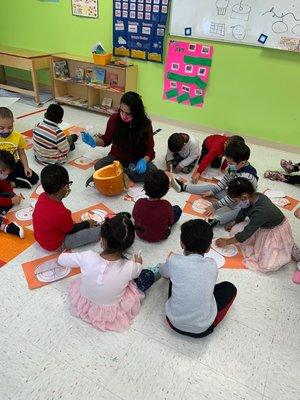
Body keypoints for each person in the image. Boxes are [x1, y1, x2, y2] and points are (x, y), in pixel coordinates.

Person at [57, 214, 160, 332]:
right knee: (147, 275)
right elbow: (137, 272)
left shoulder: (87, 256)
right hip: (110, 310)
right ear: (128, 246)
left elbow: (61, 259)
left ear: (102, 240)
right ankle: (157, 272)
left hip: (85, 301)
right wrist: (139, 263)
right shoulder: (130, 266)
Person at [159, 219, 237, 338]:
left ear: (181, 244)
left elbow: (162, 272)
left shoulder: (174, 260)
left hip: (173, 322)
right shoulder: (212, 264)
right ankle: (212, 320)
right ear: (208, 248)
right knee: (230, 288)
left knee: (174, 276)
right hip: (202, 330)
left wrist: (168, 262)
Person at [215, 178, 297, 273]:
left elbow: (246, 234)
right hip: (261, 225)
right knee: (235, 230)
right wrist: (235, 223)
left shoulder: (260, 211)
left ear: (244, 197)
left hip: (274, 231)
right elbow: (243, 212)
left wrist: (227, 242)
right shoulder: (252, 198)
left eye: (236, 201)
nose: (236, 203)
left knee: (266, 265)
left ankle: (288, 246)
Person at [172, 141, 258, 226]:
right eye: (227, 162)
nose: (228, 165)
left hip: (242, 201)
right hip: (232, 194)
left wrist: (215, 206)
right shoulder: (235, 166)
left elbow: (233, 197)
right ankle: (183, 187)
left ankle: (215, 221)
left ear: (242, 162)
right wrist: (213, 191)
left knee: (240, 211)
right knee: (211, 187)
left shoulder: (247, 177)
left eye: (230, 163)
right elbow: (225, 180)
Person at [85, 91, 156, 186]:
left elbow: (150, 150)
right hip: (117, 158)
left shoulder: (145, 124)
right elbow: (106, 140)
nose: (124, 115)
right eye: (121, 111)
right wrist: (94, 141)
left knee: (153, 172)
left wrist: (144, 160)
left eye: (128, 113)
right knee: (98, 165)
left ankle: (118, 175)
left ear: (136, 113)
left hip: (136, 160)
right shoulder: (114, 119)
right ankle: (123, 175)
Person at [32, 164, 101, 251]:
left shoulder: (42, 196)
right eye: (68, 184)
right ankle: (104, 230)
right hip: (55, 245)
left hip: (41, 238)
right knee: (93, 233)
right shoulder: (62, 212)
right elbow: (71, 230)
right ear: (64, 187)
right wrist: (87, 223)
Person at [132, 169, 182, 242]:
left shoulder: (139, 202)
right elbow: (170, 221)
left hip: (141, 234)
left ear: (144, 188)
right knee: (177, 209)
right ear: (167, 190)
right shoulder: (166, 205)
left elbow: (134, 216)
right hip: (161, 236)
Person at [0, 107, 38, 188]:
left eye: (10, 127)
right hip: (1, 167)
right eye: (1, 128)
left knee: (34, 178)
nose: (6, 131)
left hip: (15, 164)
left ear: (13, 122)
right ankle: (14, 183)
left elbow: (22, 154)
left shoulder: (18, 136)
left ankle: (10, 182)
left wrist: (26, 167)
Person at [0, 150, 24, 238]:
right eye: (8, 173)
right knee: (7, 200)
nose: (7, 175)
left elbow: (4, 184)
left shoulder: (1, 176)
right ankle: (5, 227)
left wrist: (12, 194)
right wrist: (10, 200)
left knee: (7, 194)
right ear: (1, 171)